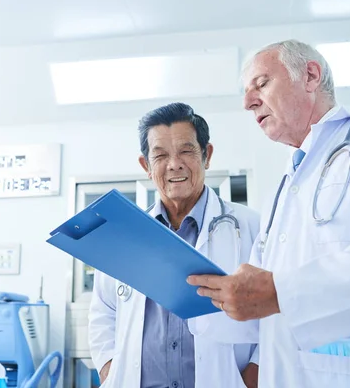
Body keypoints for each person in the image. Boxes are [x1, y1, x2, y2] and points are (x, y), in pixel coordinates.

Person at [187, 39, 350, 387]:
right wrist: (212, 297)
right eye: (247, 91)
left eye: (261, 83)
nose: (247, 101)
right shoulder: (284, 187)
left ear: (311, 76)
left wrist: (282, 291)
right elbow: (263, 305)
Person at [88, 102, 261, 388]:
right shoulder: (125, 235)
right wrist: (110, 368)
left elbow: (274, 314)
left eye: (186, 151)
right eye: (160, 155)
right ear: (146, 166)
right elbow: (103, 312)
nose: (174, 164)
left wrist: (253, 377)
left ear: (207, 156)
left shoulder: (252, 228)